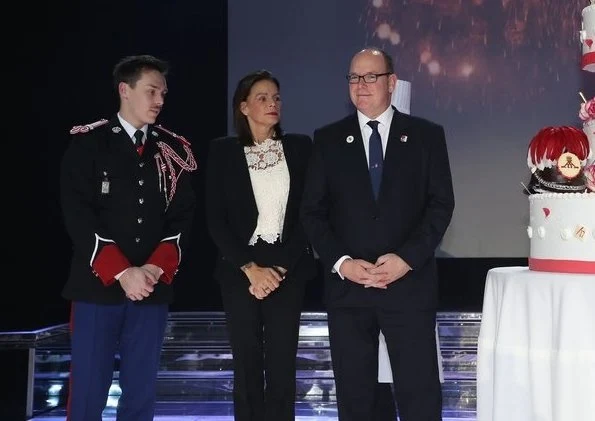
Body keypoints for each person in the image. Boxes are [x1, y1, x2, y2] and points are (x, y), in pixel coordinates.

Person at [300, 47, 455, 421]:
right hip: (349, 291)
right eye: (354, 77)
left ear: (391, 82)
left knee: (419, 395)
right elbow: (313, 212)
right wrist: (341, 263)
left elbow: (440, 205)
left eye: (370, 77)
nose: (361, 85)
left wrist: (407, 259)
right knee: (356, 400)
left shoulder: (425, 136)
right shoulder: (328, 139)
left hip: (408, 287)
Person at [60, 54, 197, 421]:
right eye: (151, 91)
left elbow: (182, 217)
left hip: (151, 288)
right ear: (125, 90)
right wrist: (123, 272)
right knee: (88, 389)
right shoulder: (90, 144)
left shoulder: (173, 149)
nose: (160, 101)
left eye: (164, 93)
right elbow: (78, 215)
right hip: (96, 287)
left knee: (141, 392)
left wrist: (152, 268)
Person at [205, 69, 317, 421]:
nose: (273, 104)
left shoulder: (299, 147)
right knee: (247, 361)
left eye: (277, 98)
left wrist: (280, 268)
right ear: (243, 107)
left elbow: (310, 214)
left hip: (288, 266)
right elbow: (215, 218)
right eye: (263, 98)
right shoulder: (222, 151)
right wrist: (251, 269)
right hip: (240, 267)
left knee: (283, 363)